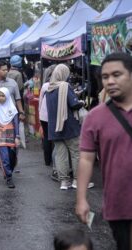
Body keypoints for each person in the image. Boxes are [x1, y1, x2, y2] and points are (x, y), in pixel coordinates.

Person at [76, 53, 132, 250]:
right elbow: (86, 159)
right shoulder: (95, 117)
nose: (110, 81)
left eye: (117, 75)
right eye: (105, 77)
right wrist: (81, 199)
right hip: (120, 205)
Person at [46, 64, 94, 190]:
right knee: (76, 153)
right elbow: (73, 104)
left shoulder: (49, 88)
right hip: (68, 125)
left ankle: (64, 182)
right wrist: (81, 102)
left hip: (54, 127)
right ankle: (77, 181)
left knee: (60, 154)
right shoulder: (64, 86)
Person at [0, 87, 20, 188]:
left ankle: (9, 171)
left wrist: (17, 136)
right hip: (0, 134)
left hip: (11, 134)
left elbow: (16, 123)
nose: (1, 98)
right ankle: (9, 177)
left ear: (7, 96)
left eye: (3, 95)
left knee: (12, 157)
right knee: (4, 158)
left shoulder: (13, 109)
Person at [39, 65, 58, 181]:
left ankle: (47, 161)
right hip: (53, 116)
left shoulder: (45, 86)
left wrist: (40, 113)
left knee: (46, 138)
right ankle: (55, 161)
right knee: (55, 138)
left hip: (43, 115)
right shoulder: (58, 85)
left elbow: (40, 101)